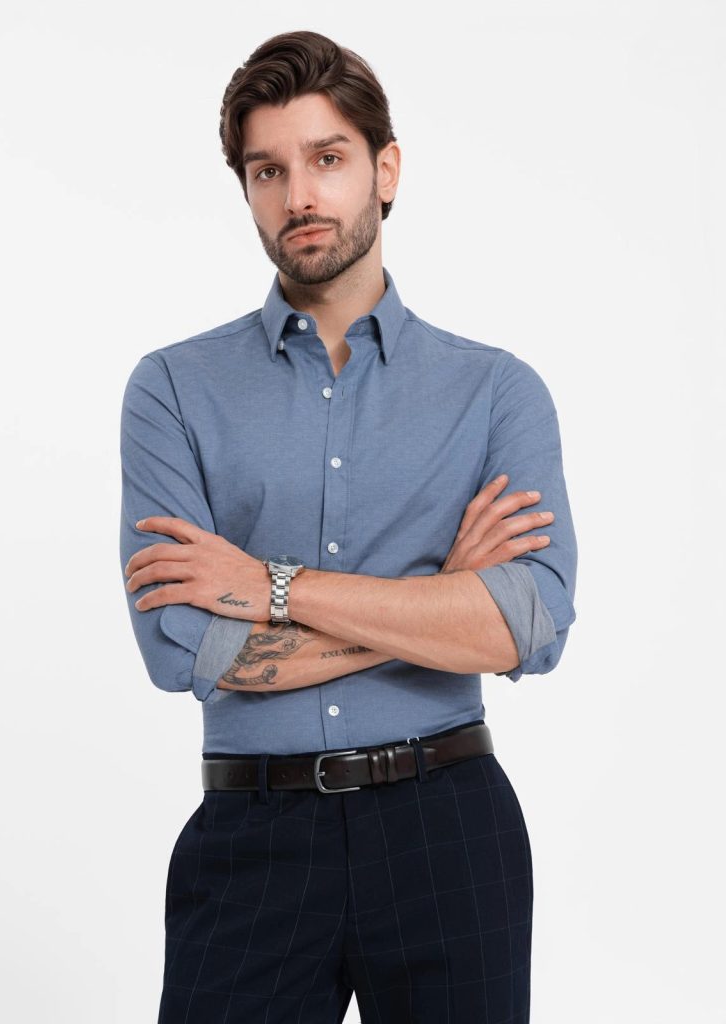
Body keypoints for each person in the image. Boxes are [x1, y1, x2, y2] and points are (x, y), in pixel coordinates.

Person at [119, 29, 577, 1024]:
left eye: (327, 158)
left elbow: (527, 625)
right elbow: (183, 647)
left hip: (447, 827)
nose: (300, 196)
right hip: (251, 835)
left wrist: (269, 588)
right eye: (268, 170)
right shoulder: (173, 390)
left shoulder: (496, 392)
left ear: (386, 169)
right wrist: (438, 602)